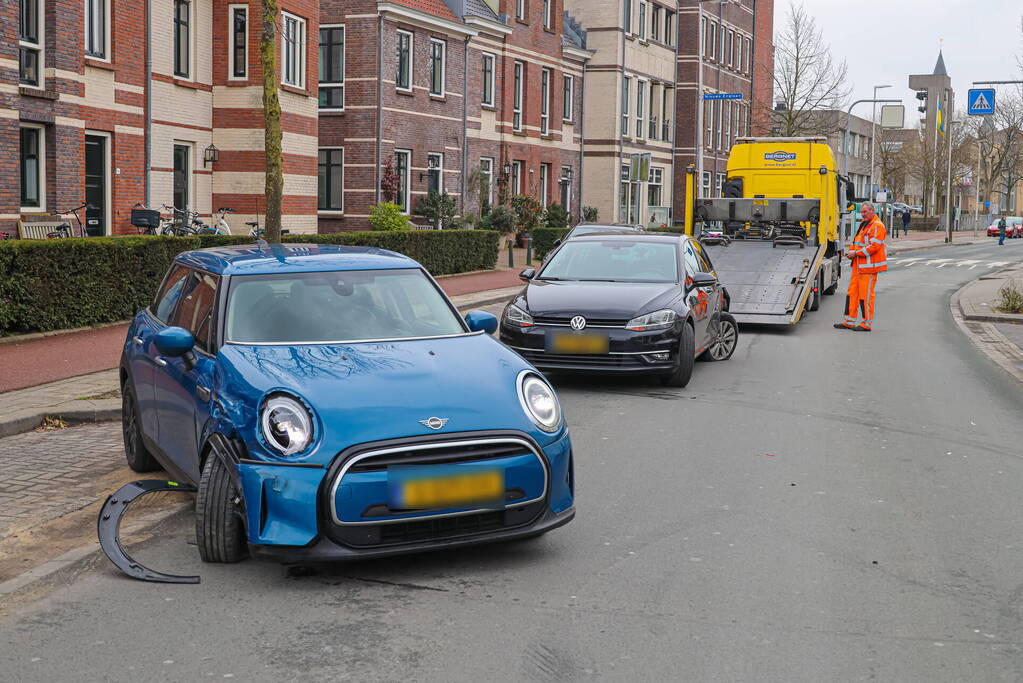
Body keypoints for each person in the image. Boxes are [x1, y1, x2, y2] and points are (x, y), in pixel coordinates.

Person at [835, 202, 887, 332]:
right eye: (862, 212)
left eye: (865, 212)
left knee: (866, 296)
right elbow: (856, 242)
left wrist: (855, 253)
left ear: (872, 211)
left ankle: (866, 323)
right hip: (858, 267)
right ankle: (849, 321)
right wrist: (851, 252)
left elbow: (874, 247)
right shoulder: (865, 225)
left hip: (868, 268)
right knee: (852, 294)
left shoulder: (877, 226)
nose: (863, 214)